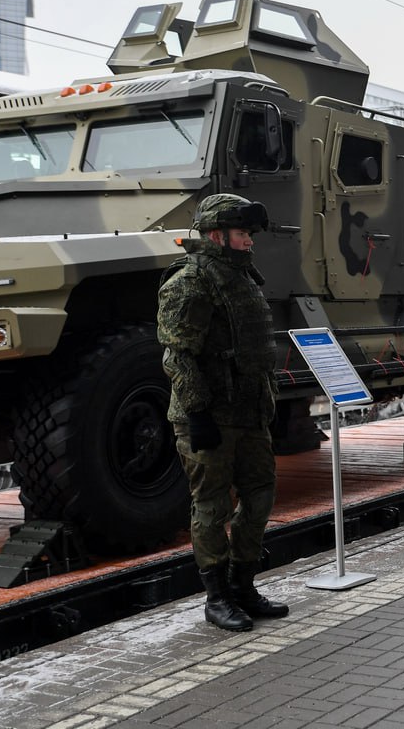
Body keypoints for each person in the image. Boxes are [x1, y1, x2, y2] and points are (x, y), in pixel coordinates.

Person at [157, 193, 288, 632]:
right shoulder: (190, 280)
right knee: (211, 506)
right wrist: (197, 414)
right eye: (242, 233)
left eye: (249, 234)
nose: (249, 241)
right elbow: (178, 356)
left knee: (260, 497)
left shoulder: (242, 276)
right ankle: (216, 597)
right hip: (209, 415)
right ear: (217, 235)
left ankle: (243, 585)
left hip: (249, 413)